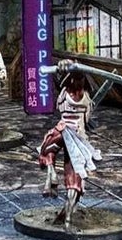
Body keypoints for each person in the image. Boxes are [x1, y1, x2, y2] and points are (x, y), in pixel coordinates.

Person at [38, 68, 101, 229]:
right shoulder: (83, 96)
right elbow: (87, 117)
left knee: (48, 149)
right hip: (74, 133)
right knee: (47, 148)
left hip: (70, 133)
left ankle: (66, 213)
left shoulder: (67, 93)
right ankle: (51, 176)